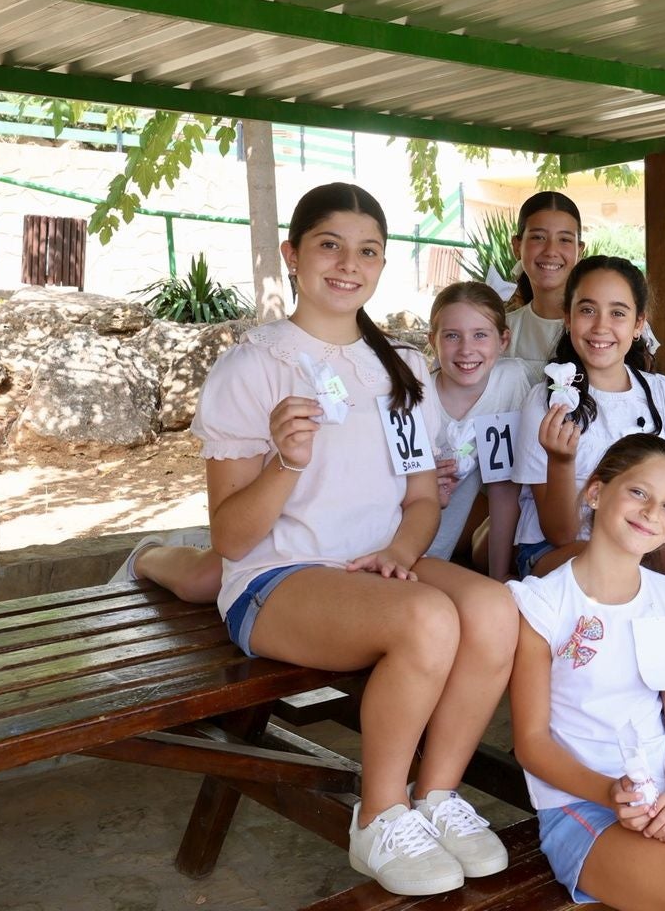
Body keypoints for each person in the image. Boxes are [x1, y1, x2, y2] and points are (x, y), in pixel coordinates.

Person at [190, 182, 518, 894]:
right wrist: (285, 461)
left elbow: (423, 498)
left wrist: (401, 554)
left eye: (367, 250)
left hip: (380, 569)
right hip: (280, 579)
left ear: (382, 263)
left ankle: (436, 795)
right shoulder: (252, 368)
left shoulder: (397, 372)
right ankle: (378, 815)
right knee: (430, 621)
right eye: (329, 245)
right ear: (292, 255)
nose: (348, 264)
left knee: (496, 612)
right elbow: (230, 536)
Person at [509, 435, 665, 911]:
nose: (650, 513)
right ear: (596, 492)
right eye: (638, 492)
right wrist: (608, 793)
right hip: (583, 805)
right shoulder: (544, 604)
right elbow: (532, 743)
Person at [513, 256, 665, 583]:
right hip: (556, 550)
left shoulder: (662, 392)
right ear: (568, 317)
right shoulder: (546, 400)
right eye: (587, 310)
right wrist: (561, 462)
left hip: (644, 542)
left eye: (618, 313)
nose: (601, 326)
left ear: (639, 325)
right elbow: (561, 533)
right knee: (626, 569)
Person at [424, 281, 529, 577]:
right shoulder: (415, 396)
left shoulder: (509, 383)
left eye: (480, 335)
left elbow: (503, 487)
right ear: (433, 340)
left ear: (503, 340)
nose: (466, 349)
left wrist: (498, 577)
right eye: (452, 336)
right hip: (387, 544)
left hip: (436, 558)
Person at [504, 191, 584, 380]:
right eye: (538, 237)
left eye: (564, 239)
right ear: (517, 246)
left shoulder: (606, 327)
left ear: (579, 251)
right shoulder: (501, 331)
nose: (551, 251)